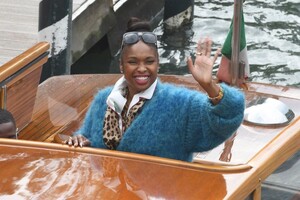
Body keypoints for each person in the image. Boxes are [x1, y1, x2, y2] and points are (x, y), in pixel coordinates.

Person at [66, 17, 245, 162]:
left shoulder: (179, 103)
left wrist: (209, 86)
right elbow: (86, 138)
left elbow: (230, 115)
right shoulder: (102, 100)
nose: (142, 68)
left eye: (149, 61)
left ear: (158, 65)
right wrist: (79, 139)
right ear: (121, 66)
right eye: (133, 62)